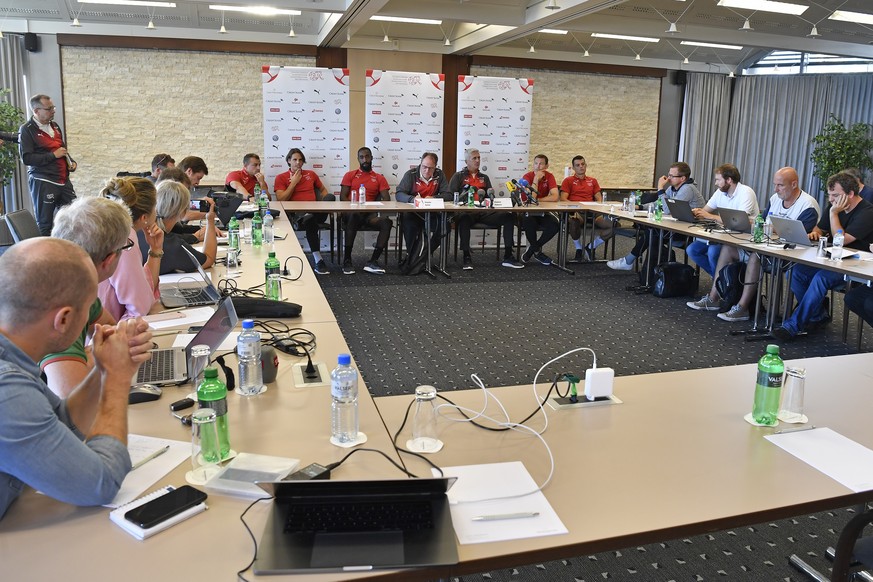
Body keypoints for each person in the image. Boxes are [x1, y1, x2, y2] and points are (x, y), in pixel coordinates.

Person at [0, 238, 152, 520]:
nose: (94, 323)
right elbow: (100, 484)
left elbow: (61, 422)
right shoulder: (7, 391)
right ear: (64, 319)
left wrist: (104, 370)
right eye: (88, 311)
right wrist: (118, 380)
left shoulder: (12, 357)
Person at [687, 167, 820, 319]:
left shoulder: (808, 205)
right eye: (774, 185)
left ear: (794, 184)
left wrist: (770, 228)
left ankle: (742, 308)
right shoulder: (775, 199)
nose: (776, 189)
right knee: (727, 248)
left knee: (755, 257)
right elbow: (762, 222)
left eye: (780, 185)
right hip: (764, 246)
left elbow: (796, 235)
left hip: (788, 257)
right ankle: (713, 298)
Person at [43, 197, 140, 395]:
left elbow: (112, 334)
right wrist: (97, 358)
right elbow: (69, 401)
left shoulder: (78, 286)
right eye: (125, 246)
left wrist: (90, 358)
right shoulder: (60, 305)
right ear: (110, 259)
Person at [773, 172, 873, 341]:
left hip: (854, 267)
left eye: (835, 195)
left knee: (821, 278)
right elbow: (820, 229)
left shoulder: (867, 212)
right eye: (830, 195)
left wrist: (834, 214)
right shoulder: (835, 206)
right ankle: (818, 313)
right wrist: (814, 234)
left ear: (850, 194)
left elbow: (842, 240)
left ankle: (793, 325)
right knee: (796, 272)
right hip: (830, 260)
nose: (831, 199)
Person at [607, 161, 704, 271]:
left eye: (672, 176)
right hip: (677, 226)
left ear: (682, 178)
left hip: (689, 231)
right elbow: (659, 204)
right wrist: (638, 207)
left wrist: (660, 189)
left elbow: (667, 210)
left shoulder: (688, 189)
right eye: (669, 174)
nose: (668, 178)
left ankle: (631, 262)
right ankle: (648, 271)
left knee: (652, 232)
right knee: (652, 231)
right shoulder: (673, 188)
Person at [99, 177, 163, 320]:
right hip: (108, 330)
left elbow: (143, 289)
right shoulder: (125, 236)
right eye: (155, 206)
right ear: (144, 217)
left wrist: (156, 250)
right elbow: (139, 307)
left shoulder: (111, 227)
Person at [449, 149, 523, 269]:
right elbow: (451, 195)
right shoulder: (458, 176)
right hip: (468, 212)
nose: (478, 160)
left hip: (484, 212)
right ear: (467, 161)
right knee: (463, 218)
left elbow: (490, 195)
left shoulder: (484, 177)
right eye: (474, 158)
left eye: (479, 158)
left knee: (508, 217)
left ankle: (508, 255)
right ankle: (466, 256)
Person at [684, 164, 758, 282]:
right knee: (692, 250)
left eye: (718, 179)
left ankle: (720, 284)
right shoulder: (720, 192)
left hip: (742, 238)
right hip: (723, 235)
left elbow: (738, 221)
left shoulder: (746, 192)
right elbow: (706, 210)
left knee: (713, 251)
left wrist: (709, 216)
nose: (716, 183)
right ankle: (720, 281)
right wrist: (696, 212)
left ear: (729, 180)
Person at [18, 94, 77, 235]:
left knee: (74, 218)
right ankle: (45, 256)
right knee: (45, 224)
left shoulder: (54, 126)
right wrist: (53, 155)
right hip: (43, 181)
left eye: (53, 107)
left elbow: (61, 149)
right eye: (49, 108)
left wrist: (71, 161)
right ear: (36, 111)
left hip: (63, 180)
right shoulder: (27, 129)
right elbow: (26, 158)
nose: (53, 111)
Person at [274, 148, 334, 275]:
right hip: (297, 214)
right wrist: (294, 183)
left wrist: (323, 201)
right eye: (294, 160)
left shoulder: (311, 174)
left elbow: (323, 190)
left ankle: (309, 216)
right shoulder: (281, 177)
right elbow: (281, 199)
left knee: (330, 198)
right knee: (309, 219)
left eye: (300, 160)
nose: (298, 162)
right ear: (289, 161)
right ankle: (319, 260)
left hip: (316, 212)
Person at [138, 180, 217, 275]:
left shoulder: (138, 230)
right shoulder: (172, 245)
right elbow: (209, 259)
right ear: (182, 212)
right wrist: (210, 220)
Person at [339, 146, 392, 275]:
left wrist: (372, 206)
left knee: (387, 223)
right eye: (362, 157)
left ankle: (373, 261)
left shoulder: (379, 178)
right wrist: (354, 207)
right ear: (358, 159)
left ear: (372, 158)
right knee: (354, 216)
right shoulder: (350, 175)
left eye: (367, 156)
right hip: (352, 213)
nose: (365, 159)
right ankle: (347, 260)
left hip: (369, 215)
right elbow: (342, 197)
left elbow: (386, 198)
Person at [395, 152, 452, 259]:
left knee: (445, 225)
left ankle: (425, 253)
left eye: (430, 168)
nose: (427, 170)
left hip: (432, 214)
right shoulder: (411, 174)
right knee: (408, 222)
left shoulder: (440, 175)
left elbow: (448, 195)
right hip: (414, 213)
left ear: (435, 167)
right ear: (420, 164)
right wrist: (412, 199)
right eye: (424, 167)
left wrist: (434, 198)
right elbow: (399, 194)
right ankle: (412, 255)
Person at [561, 155, 614, 262]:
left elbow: (599, 198)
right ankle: (579, 249)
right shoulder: (568, 181)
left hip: (593, 211)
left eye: (583, 164)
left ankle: (590, 247)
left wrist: (599, 207)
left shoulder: (593, 181)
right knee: (573, 222)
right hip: (578, 211)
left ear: (586, 165)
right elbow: (563, 199)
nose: (581, 167)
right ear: (574, 168)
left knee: (613, 225)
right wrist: (575, 207)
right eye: (578, 165)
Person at [520, 154, 560, 265]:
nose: (538, 166)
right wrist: (536, 179)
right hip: (529, 212)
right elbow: (532, 197)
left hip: (542, 211)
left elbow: (555, 196)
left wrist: (539, 200)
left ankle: (532, 249)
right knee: (529, 222)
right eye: (536, 163)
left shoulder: (549, 176)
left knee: (554, 225)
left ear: (546, 166)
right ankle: (537, 252)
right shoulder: (527, 177)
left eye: (541, 163)